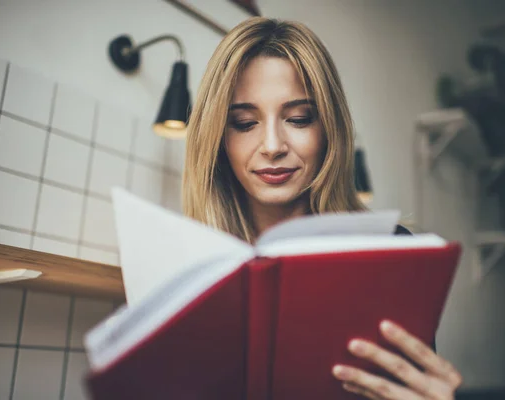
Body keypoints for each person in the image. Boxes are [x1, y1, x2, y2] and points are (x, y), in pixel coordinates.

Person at [182, 16, 463, 399]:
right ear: (218, 139)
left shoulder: (391, 253)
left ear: (329, 128)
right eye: (244, 123)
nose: (272, 145)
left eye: (299, 118)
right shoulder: (188, 270)